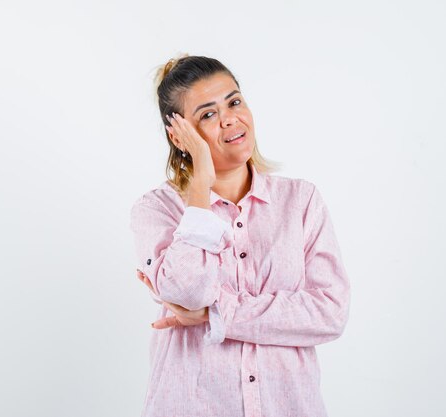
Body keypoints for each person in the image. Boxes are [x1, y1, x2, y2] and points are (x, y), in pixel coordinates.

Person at [129, 54, 351, 417]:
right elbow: (187, 291)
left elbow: (330, 312)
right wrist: (200, 184)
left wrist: (216, 313)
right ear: (179, 136)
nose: (230, 118)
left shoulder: (301, 201)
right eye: (208, 114)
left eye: (234, 102)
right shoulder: (156, 210)